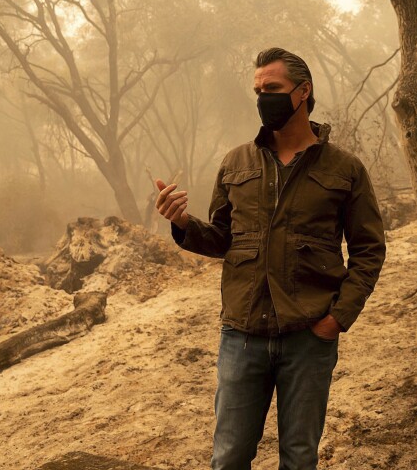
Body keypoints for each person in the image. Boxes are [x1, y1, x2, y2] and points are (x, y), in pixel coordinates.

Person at [155, 47, 386, 470]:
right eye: (258, 90)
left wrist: (336, 319)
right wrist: (183, 223)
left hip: (308, 338)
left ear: (303, 92)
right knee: (228, 458)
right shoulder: (235, 163)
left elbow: (369, 250)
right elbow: (221, 239)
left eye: (273, 88)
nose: (263, 97)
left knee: (299, 459)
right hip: (242, 336)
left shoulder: (345, 169)